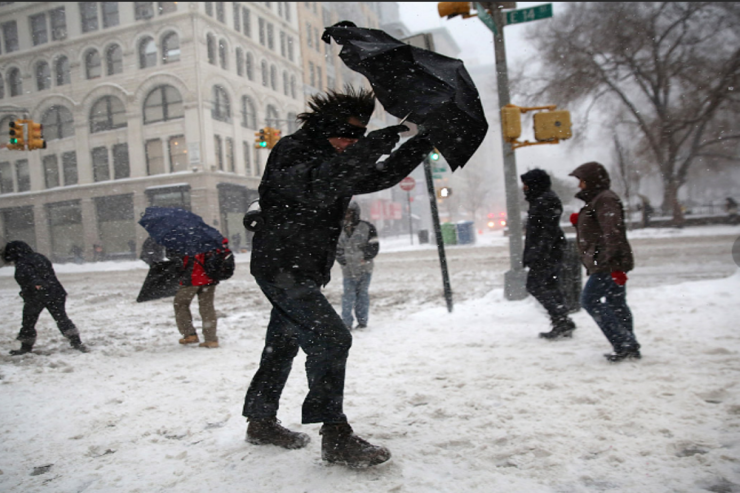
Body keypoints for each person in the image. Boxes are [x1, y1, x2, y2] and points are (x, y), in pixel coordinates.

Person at [242, 86, 434, 468]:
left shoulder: (338, 157)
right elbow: (318, 185)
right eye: (347, 133)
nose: (352, 142)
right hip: (280, 267)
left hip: (304, 270)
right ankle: (335, 435)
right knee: (331, 339)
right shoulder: (292, 152)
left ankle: (261, 421)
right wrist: (375, 143)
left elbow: (380, 176)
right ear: (325, 125)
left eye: (359, 135)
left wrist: (423, 141)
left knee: (281, 344)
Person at [569, 162, 640, 362]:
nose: (579, 186)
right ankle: (629, 345)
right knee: (616, 302)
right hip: (607, 260)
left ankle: (624, 343)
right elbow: (601, 227)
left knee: (589, 300)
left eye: (581, 181)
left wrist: (615, 264)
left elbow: (612, 231)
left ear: (590, 180)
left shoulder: (605, 199)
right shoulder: (599, 200)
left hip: (606, 262)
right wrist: (580, 221)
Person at [2, 241, 88, 355]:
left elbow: (30, 276)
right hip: (56, 292)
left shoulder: (23, 262)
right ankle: (76, 342)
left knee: (28, 321)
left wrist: (35, 286)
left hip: (37, 295)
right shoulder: (39, 257)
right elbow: (46, 273)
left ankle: (26, 346)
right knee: (61, 318)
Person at [520, 169, 576, 339]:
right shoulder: (542, 199)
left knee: (534, 285)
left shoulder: (545, 201)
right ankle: (563, 320)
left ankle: (561, 319)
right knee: (551, 285)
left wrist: (538, 253)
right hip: (549, 251)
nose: (524, 188)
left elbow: (547, 231)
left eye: (526, 184)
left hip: (546, 253)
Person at [171, 243, 223, 349]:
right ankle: (211, 339)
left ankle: (189, 334)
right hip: (209, 277)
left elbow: (182, 260)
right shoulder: (210, 239)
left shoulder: (186, 240)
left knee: (180, 303)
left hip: (193, 277)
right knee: (207, 307)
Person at [336, 201, 379, 330]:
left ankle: (362, 321)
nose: (347, 215)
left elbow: (374, 246)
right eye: (345, 212)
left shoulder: (367, 227)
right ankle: (346, 322)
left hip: (364, 268)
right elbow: (336, 249)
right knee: (348, 296)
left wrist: (364, 257)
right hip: (347, 269)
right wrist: (343, 260)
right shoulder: (338, 230)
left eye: (350, 212)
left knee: (362, 295)